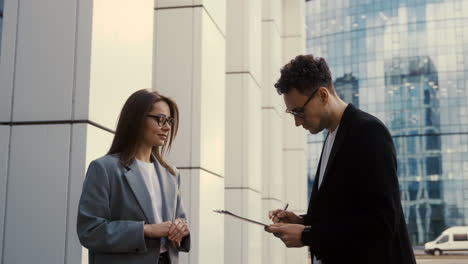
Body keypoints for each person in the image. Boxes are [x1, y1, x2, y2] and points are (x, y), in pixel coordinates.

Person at [265, 55, 416, 264]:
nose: (297, 122)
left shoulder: (368, 132)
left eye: (299, 111)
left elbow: (380, 225)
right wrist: (302, 221)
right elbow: (346, 213)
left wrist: (306, 235)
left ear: (323, 95)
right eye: (292, 113)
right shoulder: (332, 137)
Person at [77, 89, 190, 264]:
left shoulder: (171, 174)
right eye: (160, 119)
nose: (167, 127)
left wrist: (181, 227)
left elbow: (180, 220)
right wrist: (145, 230)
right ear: (137, 120)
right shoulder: (104, 169)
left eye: (169, 121)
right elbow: (90, 231)